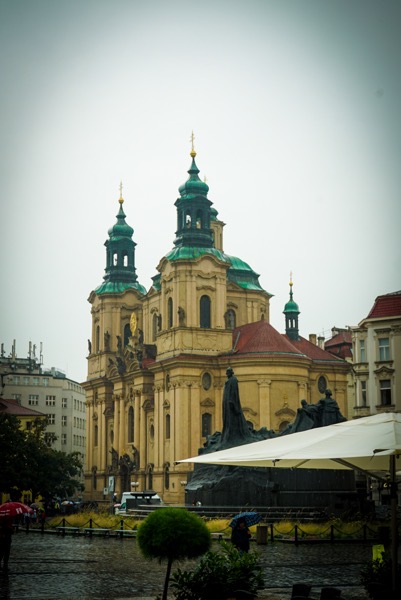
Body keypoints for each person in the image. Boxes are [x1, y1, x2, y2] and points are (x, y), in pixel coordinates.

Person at [221, 368, 252, 447]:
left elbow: (234, 392)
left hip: (231, 403)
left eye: (228, 372)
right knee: (228, 420)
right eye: (226, 372)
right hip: (227, 403)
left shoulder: (233, 380)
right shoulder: (229, 380)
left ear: (232, 373)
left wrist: (232, 401)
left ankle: (231, 436)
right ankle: (227, 435)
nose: (227, 373)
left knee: (232, 420)